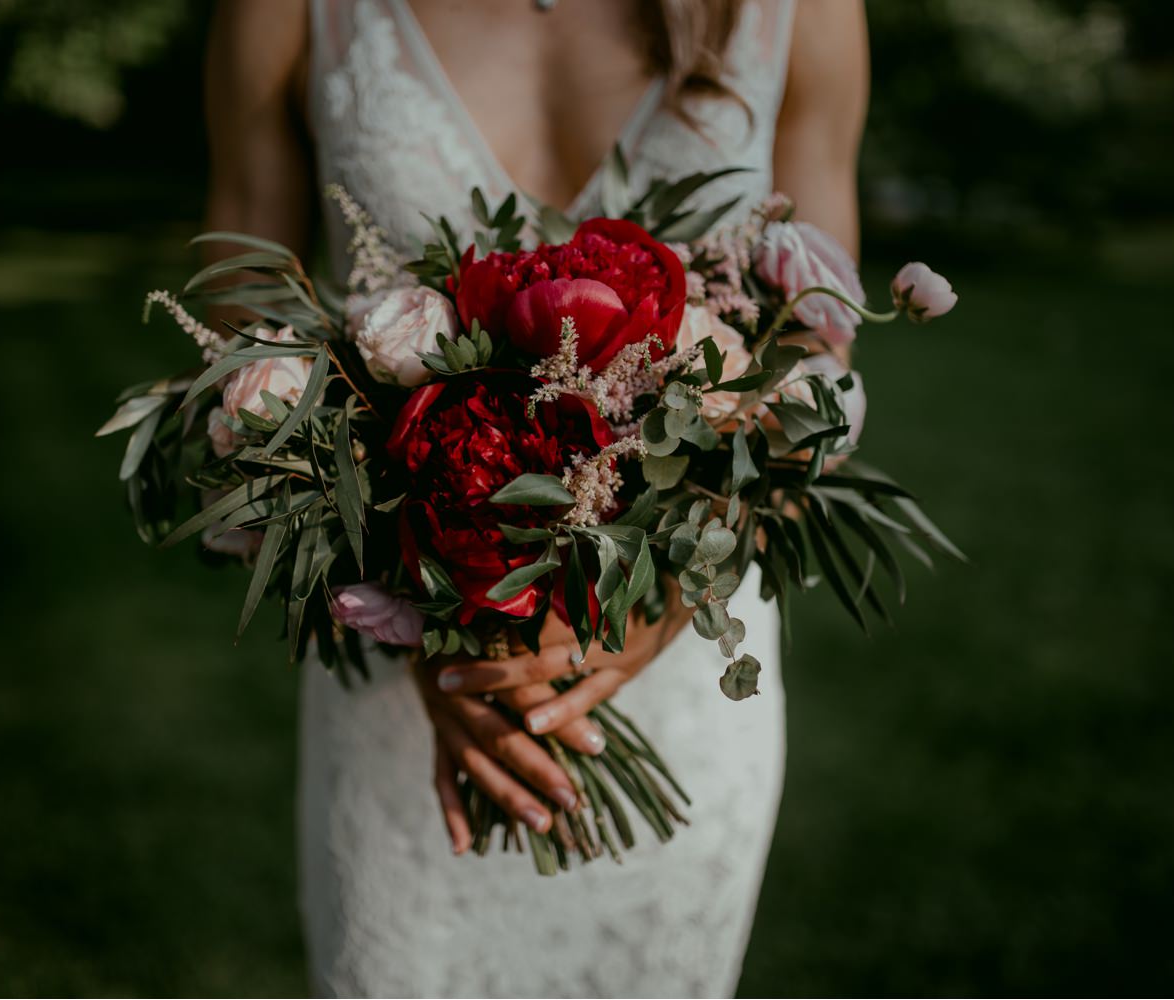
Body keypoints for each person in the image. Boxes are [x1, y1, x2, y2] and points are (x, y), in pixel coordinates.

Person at [204, 0, 868, 994]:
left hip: (683, 681)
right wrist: (421, 620)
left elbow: (822, 350)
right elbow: (238, 341)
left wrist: (674, 586)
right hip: (401, 697)